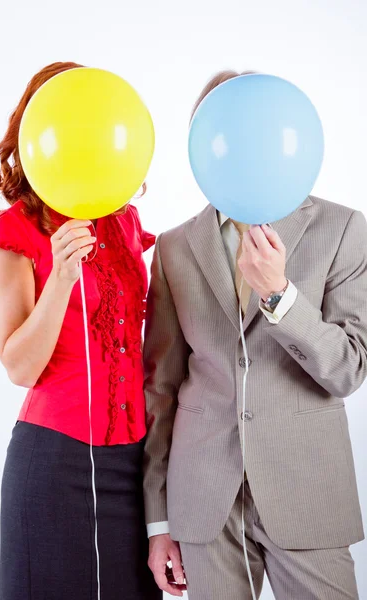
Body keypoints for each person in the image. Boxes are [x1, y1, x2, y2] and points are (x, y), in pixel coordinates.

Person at [143, 70, 367, 599]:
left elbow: (350, 367)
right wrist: (159, 523)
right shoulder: (174, 247)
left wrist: (281, 296)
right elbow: (161, 388)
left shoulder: (344, 230)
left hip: (304, 489)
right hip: (202, 500)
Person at [0, 61, 161, 600]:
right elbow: (18, 366)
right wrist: (60, 277)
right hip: (54, 464)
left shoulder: (123, 222)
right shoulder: (12, 232)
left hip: (134, 466)